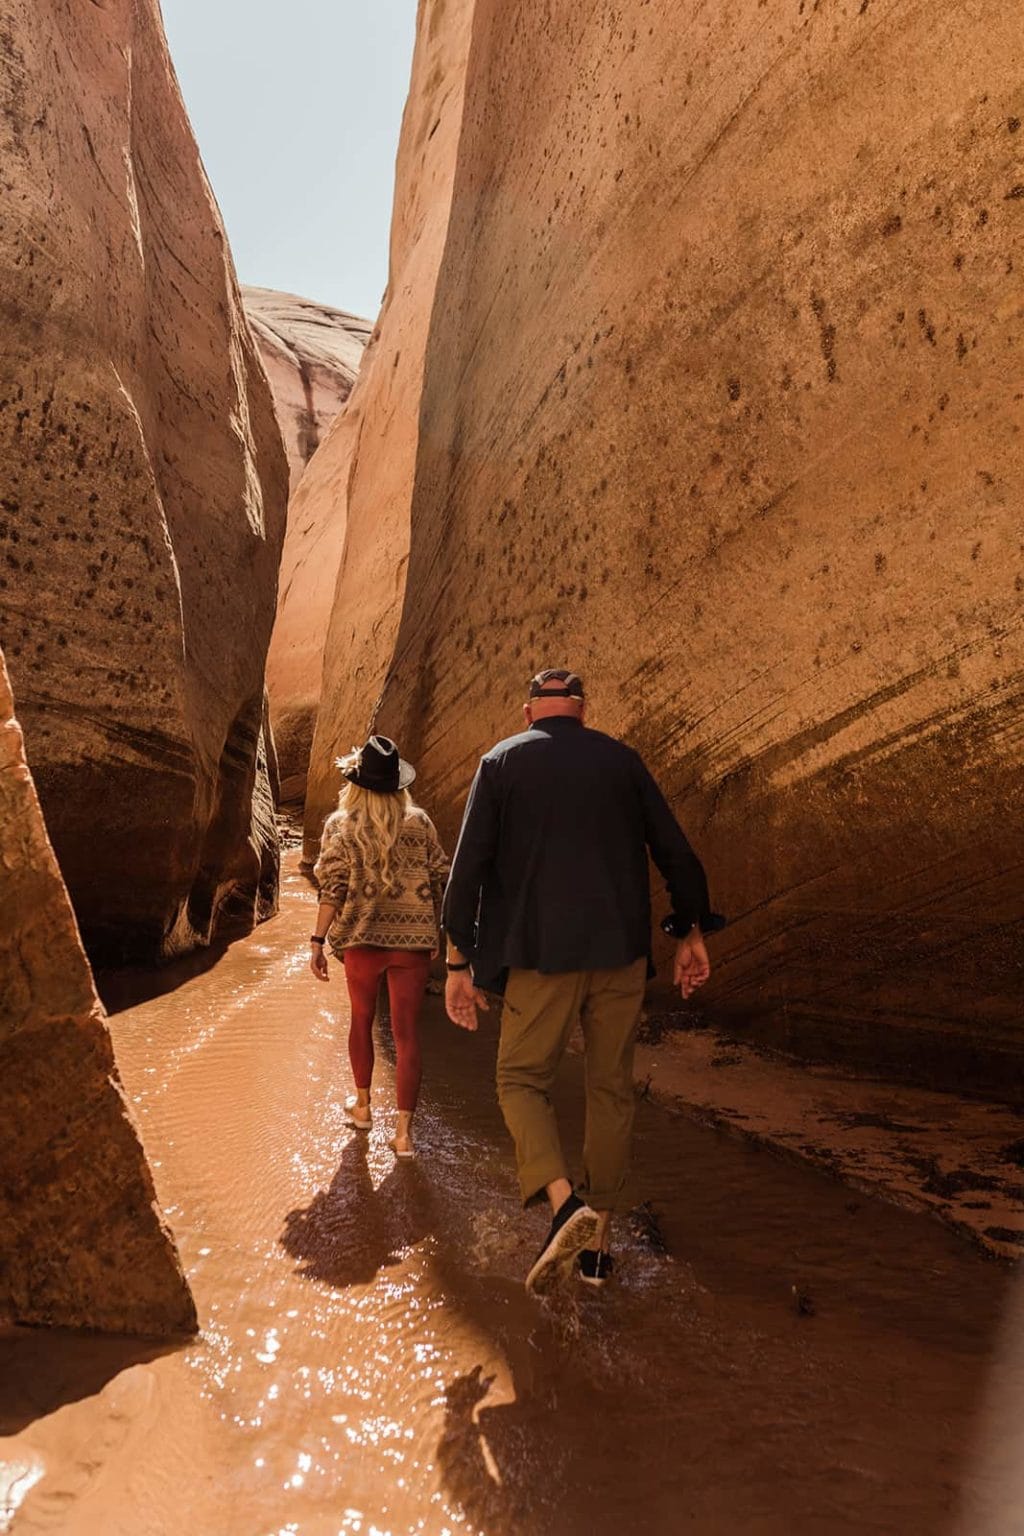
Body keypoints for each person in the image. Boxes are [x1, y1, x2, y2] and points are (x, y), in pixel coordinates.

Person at [443, 669, 724, 1294]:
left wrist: (459, 963)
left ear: (528, 712)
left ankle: (565, 1204)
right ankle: (597, 1251)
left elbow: (468, 870)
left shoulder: (502, 763)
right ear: (583, 711)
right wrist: (690, 932)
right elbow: (675, 851)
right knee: (610, 1090)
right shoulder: (621, 761)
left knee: (519, 1080)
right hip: (620, 955)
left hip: (542, 956)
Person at [310, 734, 449, 1160]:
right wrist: (434, 929)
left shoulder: (341, 824)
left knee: (362, 1020)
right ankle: (404, 1135)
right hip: (412, 944)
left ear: (357, 782)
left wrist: (317, 941)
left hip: (362, 940)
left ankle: (364, 1107)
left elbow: (332, 887)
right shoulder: (420, 822)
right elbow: (441, 873)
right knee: (407, 1035)